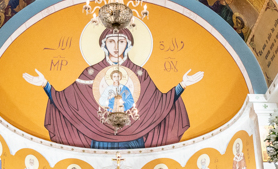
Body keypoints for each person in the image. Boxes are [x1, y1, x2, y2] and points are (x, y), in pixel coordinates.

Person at [22, 27, 203, 149]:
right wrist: (45, 85)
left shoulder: (140, 73)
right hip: (99, 139)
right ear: (104, 44)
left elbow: (159, 104)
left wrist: (182, 85)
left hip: (134, 139)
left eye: (121, 41)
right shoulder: (90, 73)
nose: (116, 47)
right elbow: (67, 102)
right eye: (111, 42)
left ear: (128, 45)